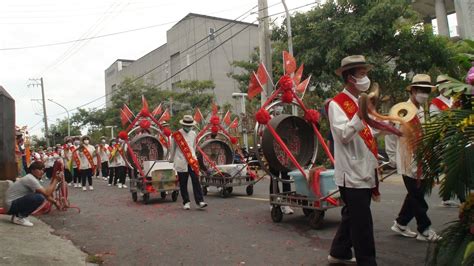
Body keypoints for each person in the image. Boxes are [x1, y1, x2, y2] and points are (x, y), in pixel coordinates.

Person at [328, 55, 378, 265]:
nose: (366, 79)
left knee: (352, 216)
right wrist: (360, 113)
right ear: (350, 78)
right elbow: (344, 135)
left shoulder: (360, 101)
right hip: (351, 173)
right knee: (362, 223)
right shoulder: (336, 104)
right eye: (362, 74)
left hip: (365, 170)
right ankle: (367, 261)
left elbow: (370, 133)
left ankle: (339, 252)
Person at [391, 74, 441, 242]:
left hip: (421, 160)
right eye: (421, 90)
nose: (424, 94)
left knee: (415, 194)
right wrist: (391, 156)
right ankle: (424, 228)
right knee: (418, 196)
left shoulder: (422, 110)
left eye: (427, 91)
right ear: (412, 90)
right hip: (407, 160)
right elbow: (391, 133)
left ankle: (400, 223)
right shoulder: (403, 109)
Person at [5, 161, 61, 227]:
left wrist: (55, 202)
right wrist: (56, 180)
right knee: (39, 198)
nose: (42, 172)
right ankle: (19, 217)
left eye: (43, 170)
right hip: (10, 206)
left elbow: (44, 194)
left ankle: (18, 216)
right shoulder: (30, 179)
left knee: (39, 196)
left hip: (10, 205)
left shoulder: (32, 178)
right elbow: (47, 193)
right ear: (32, 170)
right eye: (39, 169)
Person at [170, 115, 207, 210]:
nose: (188, 127)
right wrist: (171, 159)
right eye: (186, 125)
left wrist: (193, 156)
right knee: (183, 183)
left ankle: (200, 201)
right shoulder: (176, 135)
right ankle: (186, 202)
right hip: (181, 161)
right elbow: (173, 148)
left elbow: (194, 147)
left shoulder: (193, 134)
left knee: (196, 181)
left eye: (189, 125)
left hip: (192, 161)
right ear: (183, 125)